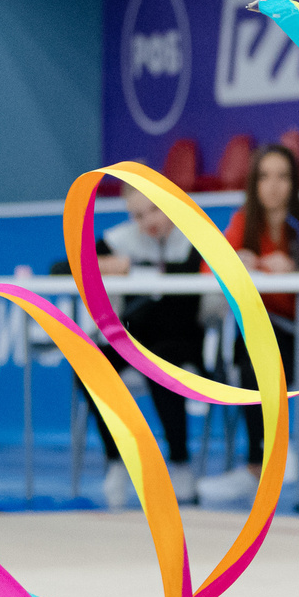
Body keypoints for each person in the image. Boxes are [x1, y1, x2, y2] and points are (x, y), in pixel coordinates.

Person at [195, 141, 299, 508]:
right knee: (247, 353)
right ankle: (267, 457)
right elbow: (208, 267)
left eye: (283, 176)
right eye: (264, 177)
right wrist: (236, 260)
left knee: (254, 357)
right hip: (271, 333)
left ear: (295, 182)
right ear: (253, 183)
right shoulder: (243, 221)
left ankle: (262, 462)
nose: (274, 185)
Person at [81, 183, 205, 509]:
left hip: (183, 341)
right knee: (90, 365)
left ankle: (179, 460)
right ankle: (116, 460)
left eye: (154, 209)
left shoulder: (195, 239)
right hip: (132, 339)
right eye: (137, 215)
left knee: (162, 363)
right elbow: (61, 268)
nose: (147, 220)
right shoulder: (117, 241)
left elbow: (192, 274)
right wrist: (103, 266)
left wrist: (136, 269)